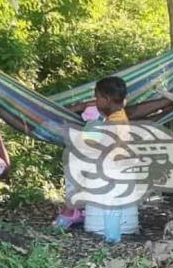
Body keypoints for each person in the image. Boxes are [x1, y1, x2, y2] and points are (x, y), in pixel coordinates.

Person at [53, 76, 131, 229]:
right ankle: (79, 209)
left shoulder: (113, 123)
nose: (95, 101)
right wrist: (83, 106)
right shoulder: (118, 111)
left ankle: (71, 210)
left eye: (97, 97)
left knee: (76, 162)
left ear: (107, 99)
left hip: (111, 168)